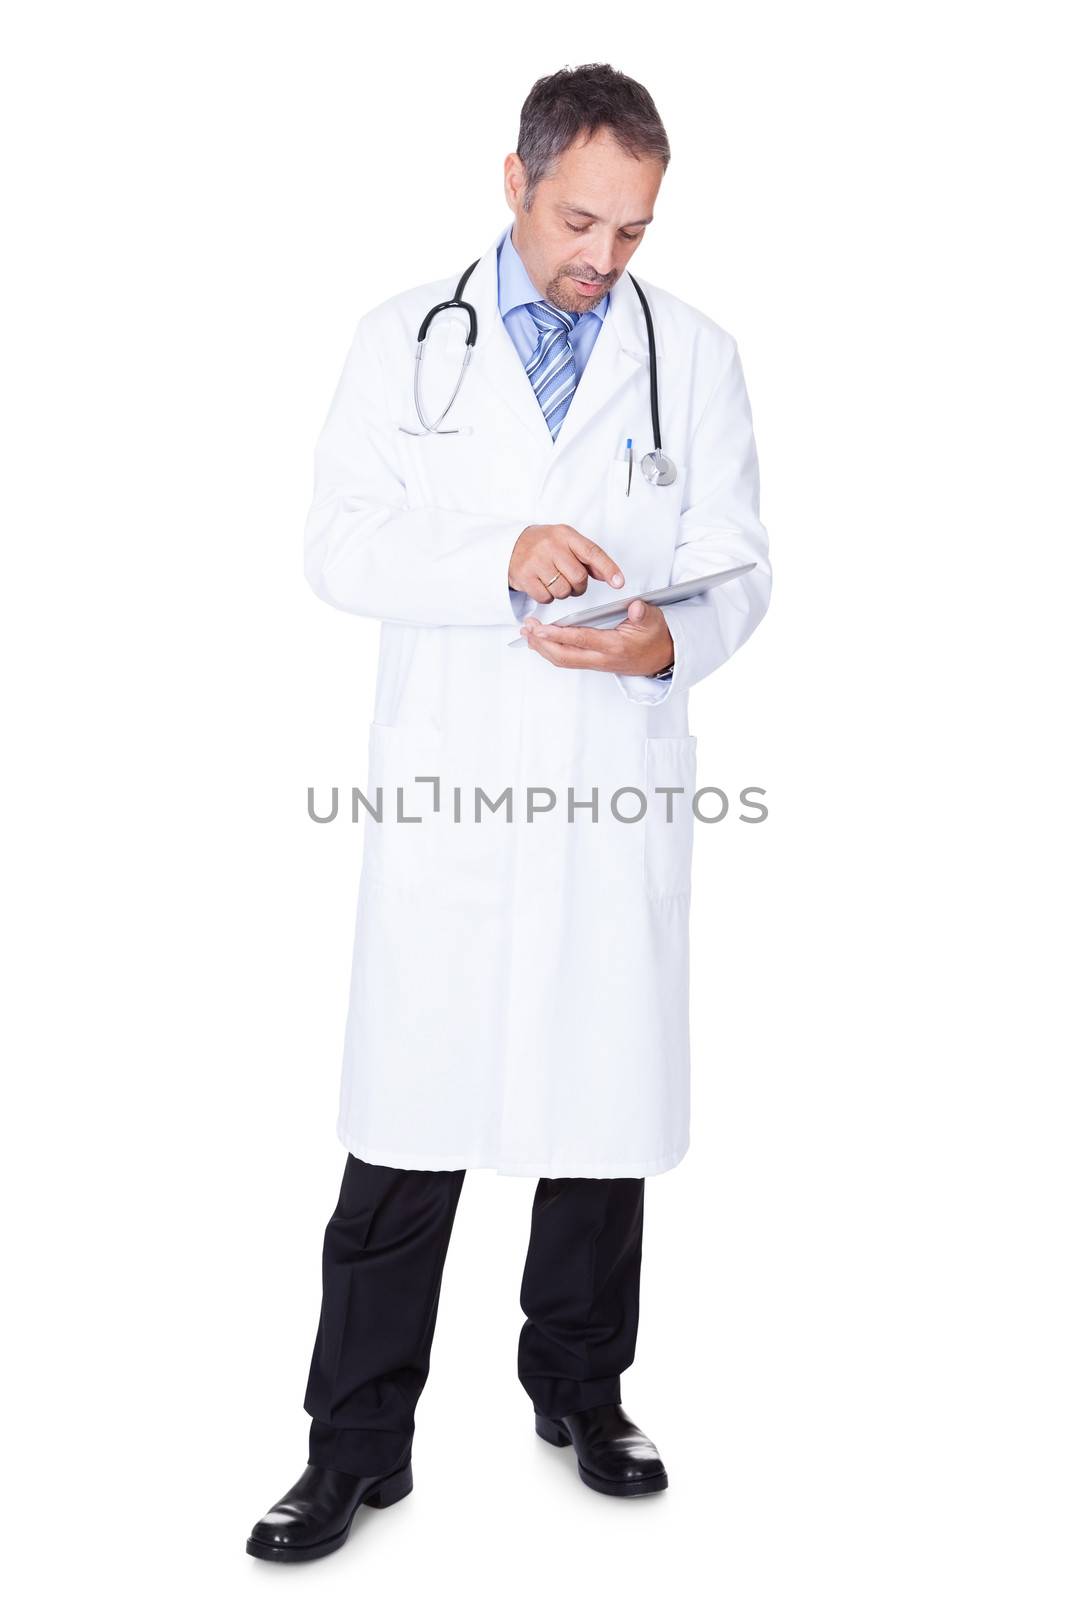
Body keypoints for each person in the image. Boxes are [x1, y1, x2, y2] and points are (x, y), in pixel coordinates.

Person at [246, 62, 771, 1562]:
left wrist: (666, 640)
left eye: (634, 233)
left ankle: (583, 1395)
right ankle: (352, 1449)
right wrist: (502, 554)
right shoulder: (403, 341)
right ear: (515, 181)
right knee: (405, 1133)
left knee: (598, 1132)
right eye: (580, 220)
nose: (603, 262)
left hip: (610, 785)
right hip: (454, 798)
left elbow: (737, 556)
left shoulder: (698, 353)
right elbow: (337, 544)